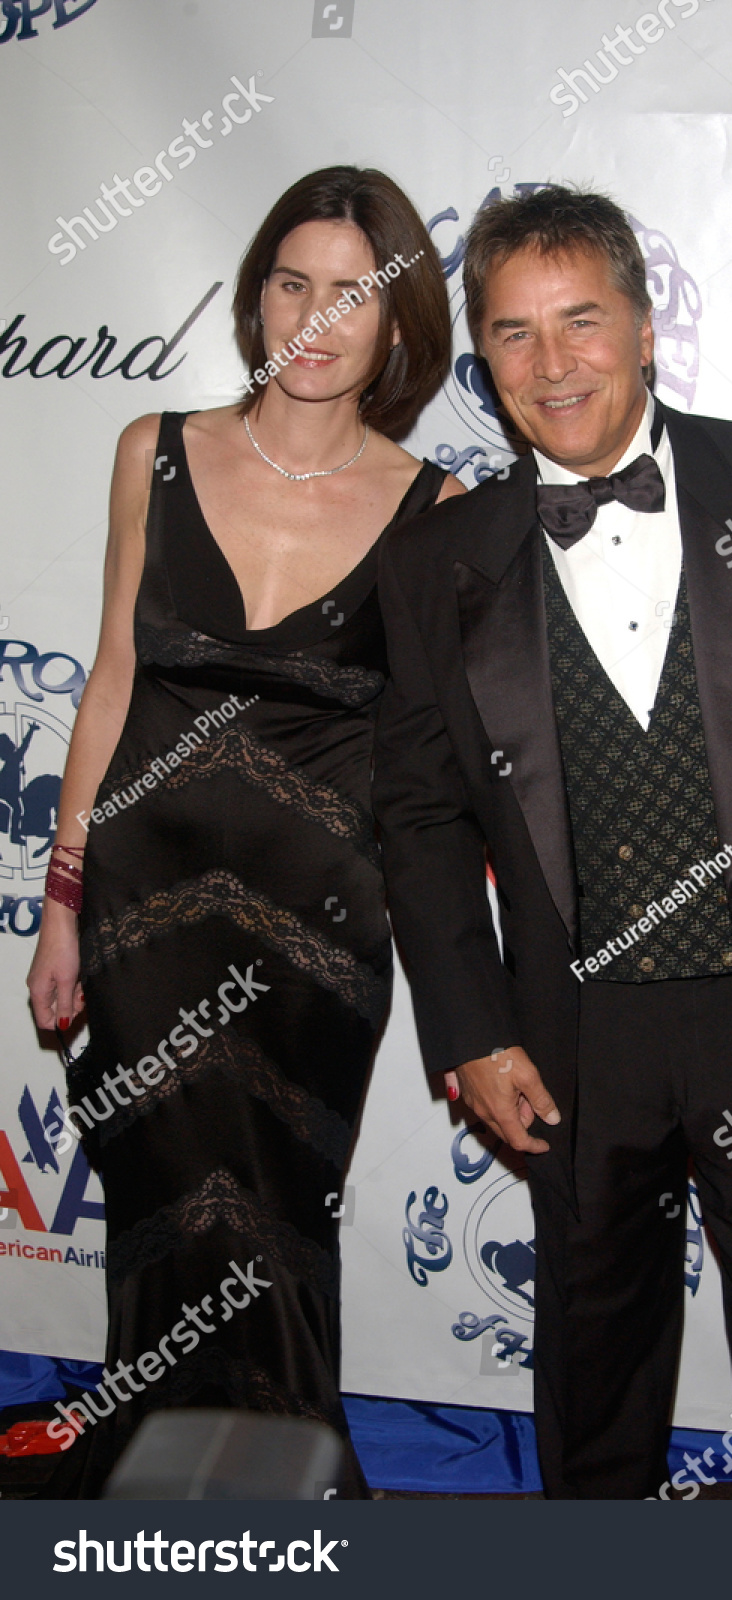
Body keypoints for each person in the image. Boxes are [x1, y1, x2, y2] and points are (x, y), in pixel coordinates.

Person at [372, 185, 732, 1499]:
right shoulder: (435, 563)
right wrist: (469, 1025)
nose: (553, 363)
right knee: (595, 1368)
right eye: (514, 333)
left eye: (582, 321)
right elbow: (420, 814)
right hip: (573, 1036)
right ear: (483, 358)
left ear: (642, 327)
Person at [27, 165, 463, 1495]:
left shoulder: (432, 508)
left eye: (353, 292)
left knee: (276, 1206)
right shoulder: (152, 449)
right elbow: (112, 679)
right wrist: (60, 899)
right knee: (160, 1200)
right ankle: (153, 1474)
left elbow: (434, 762)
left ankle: (284, 1482)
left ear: (398, 326)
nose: (316, 317)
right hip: (141, 911)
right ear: (254, 295)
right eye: (292, 281)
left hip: (320, 930)